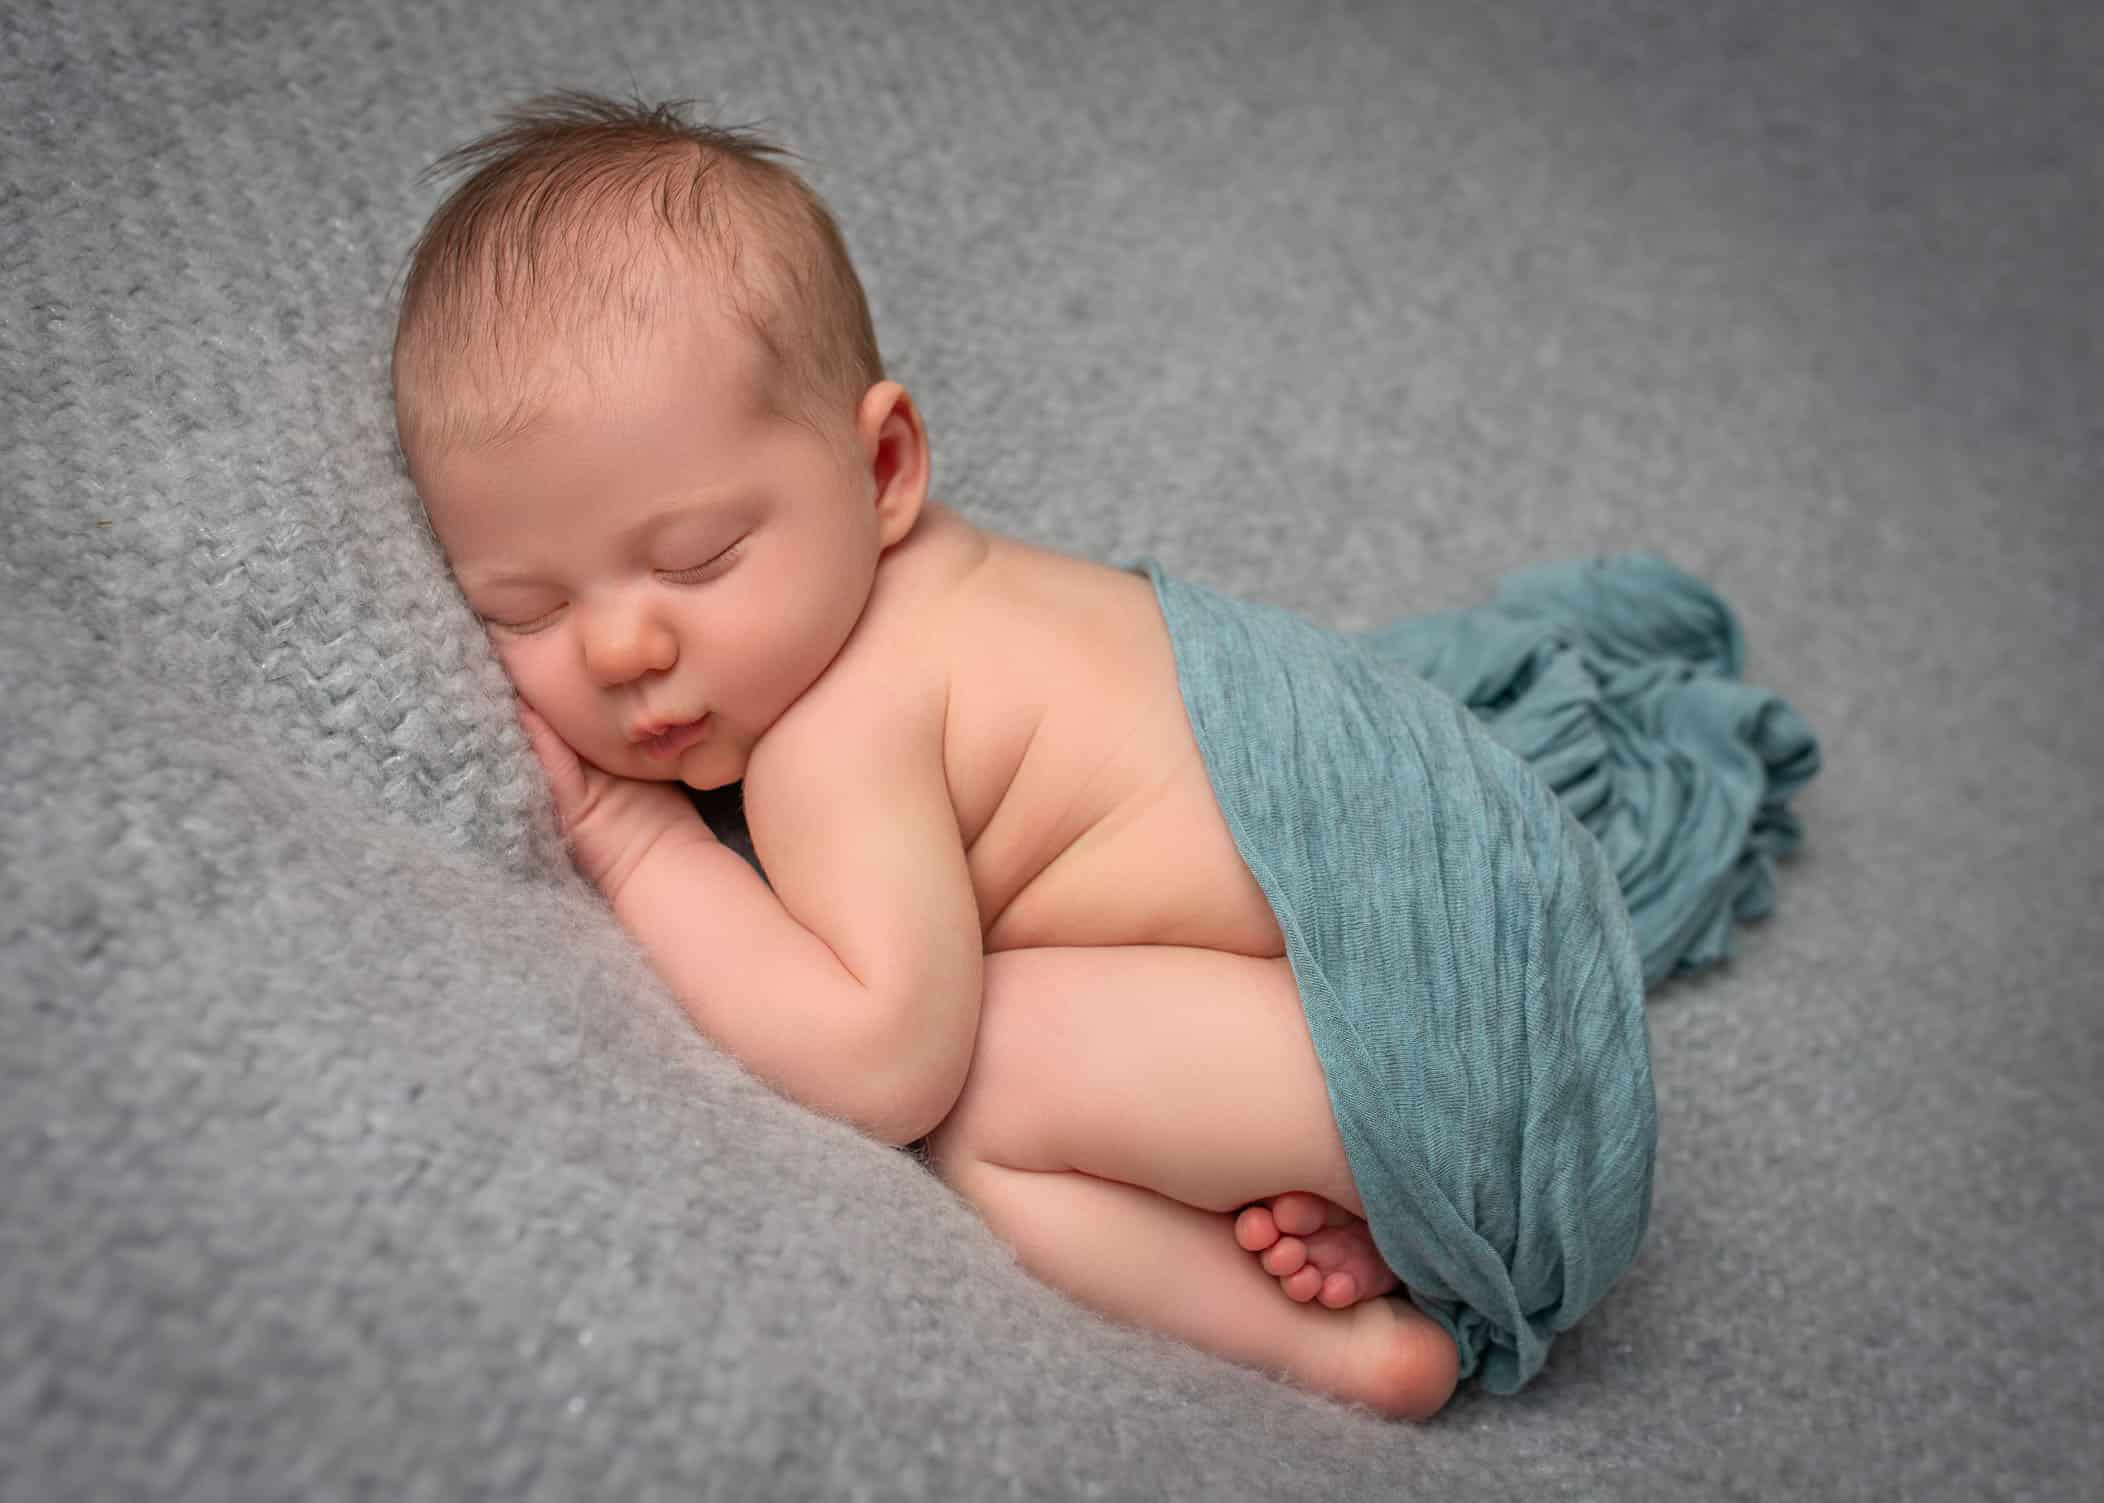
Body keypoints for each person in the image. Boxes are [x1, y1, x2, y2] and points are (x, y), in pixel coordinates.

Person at [395, 90, 1795, 1420]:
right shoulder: (969, 585)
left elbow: (881, 1061)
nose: (624, 648)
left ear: (884, 472)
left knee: (969, 1092)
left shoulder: (841, 731)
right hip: (1504, 976)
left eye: (697, 558)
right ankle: (1362, 1196)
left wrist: (640, 847)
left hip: (1473, 1077)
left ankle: (1356, 1349)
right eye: (529, 605)